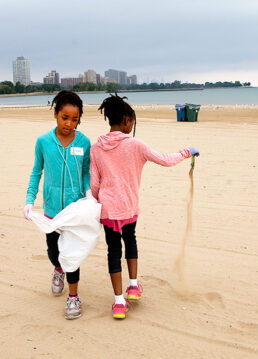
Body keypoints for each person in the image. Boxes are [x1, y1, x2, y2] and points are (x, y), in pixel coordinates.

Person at [90, 94, 199, 319]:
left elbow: (94, 183)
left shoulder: (96, 148)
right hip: (129, 208)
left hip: (108, 210)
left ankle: (119, 302)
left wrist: (94, 205)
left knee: (113, 251)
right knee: (130, 242)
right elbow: (165, 159)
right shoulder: (135, 145)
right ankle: (133, 286)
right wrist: (187, 151)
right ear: (127, 120)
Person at [23, 90, 91, 320]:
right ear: (55, 114)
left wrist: (89, 191)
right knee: (55, 254)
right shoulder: (43, 141)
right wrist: (29, 200)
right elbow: (36, 172)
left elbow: (85, 173)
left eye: (75, 119)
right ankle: (58, 269)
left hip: (75, 210)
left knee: (71, 255)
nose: (69, 124)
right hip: (52, 209)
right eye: (65, 117)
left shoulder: (84, 142)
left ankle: (73, 297)